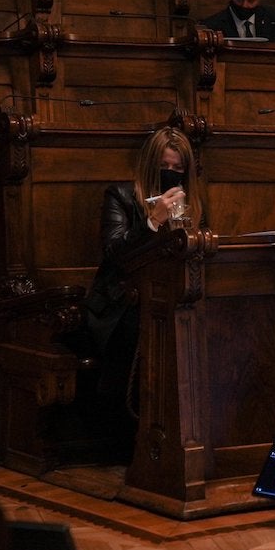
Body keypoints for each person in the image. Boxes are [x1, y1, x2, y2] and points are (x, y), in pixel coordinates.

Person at [82, 127, 205, 433]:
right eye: (164, 167)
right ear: (151, 165)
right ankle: (128, 430)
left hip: (170, 294)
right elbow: (114, 253)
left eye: (178, 169)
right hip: (120, 303)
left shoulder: (192, 204)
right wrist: (153, 222)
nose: (171, 174)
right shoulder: (121, 196)